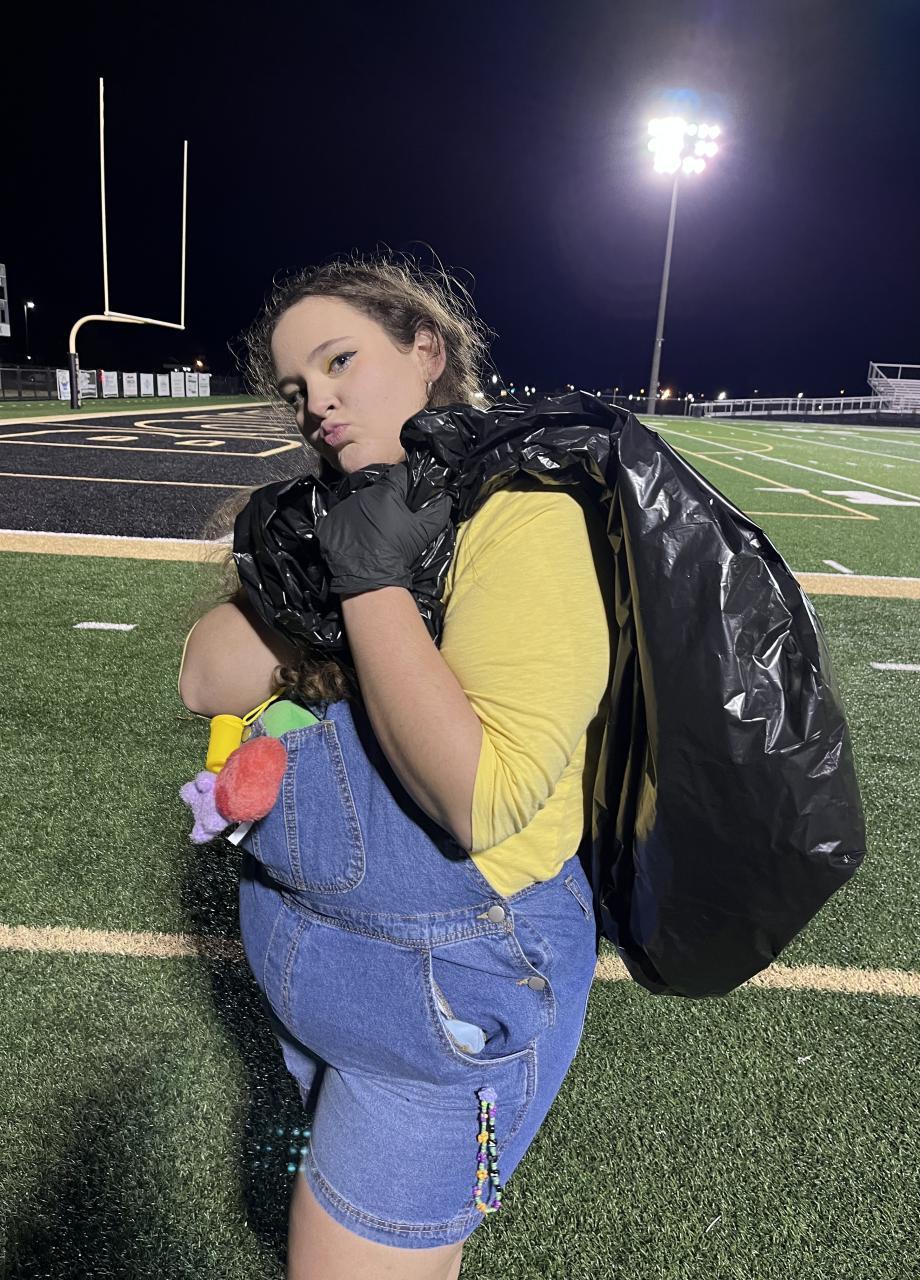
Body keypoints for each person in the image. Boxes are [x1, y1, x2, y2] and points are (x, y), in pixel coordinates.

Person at [178, 254, 613, 1280]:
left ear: (428, 351)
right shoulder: (338, 510)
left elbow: (477, 797)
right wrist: (325, 574)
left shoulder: (521, 515)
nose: (317, 402)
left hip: (446, 986)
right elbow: (204, 675)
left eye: (340, 360)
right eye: (297, 388)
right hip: (342, 964)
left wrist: (373, 583)